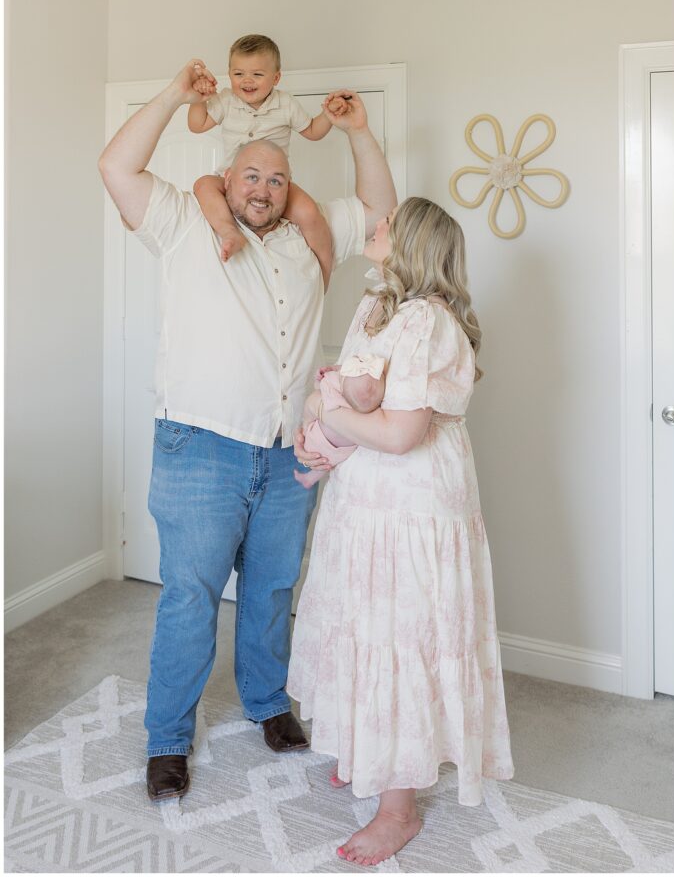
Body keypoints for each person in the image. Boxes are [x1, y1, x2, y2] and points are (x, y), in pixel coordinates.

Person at [97, 59, 397, 803]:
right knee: (190, 596)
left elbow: (382, 210)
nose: (261, 187)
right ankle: (167, 738)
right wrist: (171, 93)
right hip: (199, 445)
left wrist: (359, 132)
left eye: (275, 179)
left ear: (287, 190)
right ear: (225, 183)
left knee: (270, 590)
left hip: (288, 451)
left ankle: (267, 704)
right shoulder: (183, 228)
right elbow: (116, 164)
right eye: (249, 176)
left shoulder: (309, 238)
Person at [288, 198, 514, 866]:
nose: (375, 226)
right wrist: (321, 422)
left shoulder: (428, 321)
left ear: (412, 241)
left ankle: (398, 808)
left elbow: (399, 433)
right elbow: (343, 393)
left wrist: (328, 411)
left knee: (401, 634)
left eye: (387, 224)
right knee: (361, 622)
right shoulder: (374, 307)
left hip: (411, 503)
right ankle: (370, 749)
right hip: (365, 498)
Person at [188, 33, 346, 286]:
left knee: (309, 212)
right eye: (238, 74)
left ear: (276, 77)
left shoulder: (286, 104)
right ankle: (230, 233)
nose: (247, 81)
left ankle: (324, 274)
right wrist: (198, 99)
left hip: (274, 183)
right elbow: (196, 125)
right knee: (203, 185)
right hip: (230, 178)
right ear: (229, 74)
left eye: (257, 75)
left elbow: (314, 132)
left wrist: (328, 114)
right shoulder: (226, 100)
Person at [293, 354, 386, 489]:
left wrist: (324, 376)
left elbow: (319, 387)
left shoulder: (334, 388)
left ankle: (310, 476)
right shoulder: (371, 407)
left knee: (317, 453)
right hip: (345, 449)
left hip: (316, 437)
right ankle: (310, 478)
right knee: (327, 463)